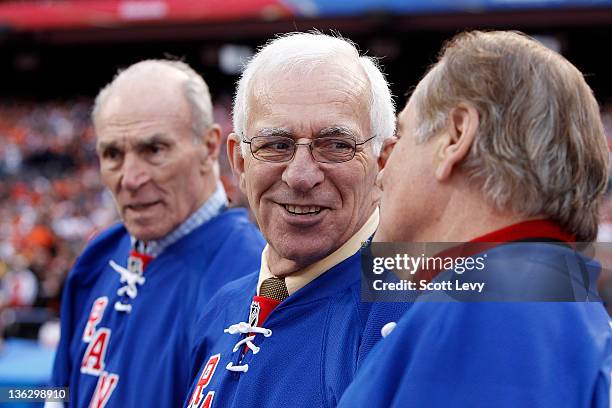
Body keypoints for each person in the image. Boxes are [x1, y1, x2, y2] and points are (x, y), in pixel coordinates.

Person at [337, 30, 612, 407]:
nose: (382, 172)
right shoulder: (543, 296)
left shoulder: (492, 307)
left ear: (456, 137)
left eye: (401, 136)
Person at [184, 32, 407, 408]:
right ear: (240, 162)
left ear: (383, 163)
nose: (301, 175)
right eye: (276, 145)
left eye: (337, 145)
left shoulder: (410, 313)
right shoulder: (222, 307)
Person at [49, 60, 265, 408]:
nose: (131, 178)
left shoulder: (251, 275)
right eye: (113, 154)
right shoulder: (97, 256)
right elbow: (57, 391)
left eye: (154, 150)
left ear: (209, 147)